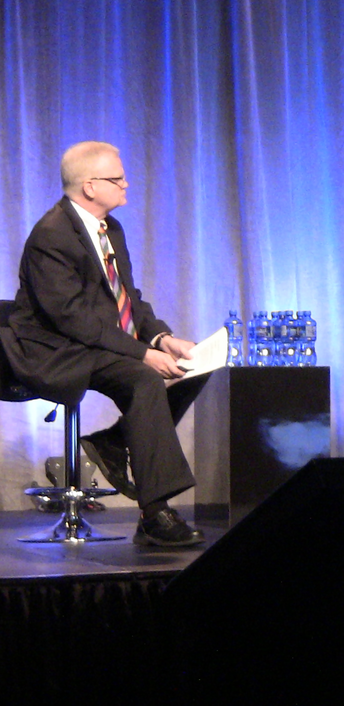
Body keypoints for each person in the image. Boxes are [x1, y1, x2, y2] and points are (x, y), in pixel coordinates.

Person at [0, 141, 206, 546]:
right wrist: (144, 354)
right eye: (118, 178)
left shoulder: (109, 228)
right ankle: (156, 513)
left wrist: (163, 338)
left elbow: (127, 298)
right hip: (53, 350)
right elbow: (71, 318)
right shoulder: (51, 236)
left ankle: (112, 442)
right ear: (90, 186)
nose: (127, 184)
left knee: (192, 369)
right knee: (145, 378)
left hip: (92, 343)